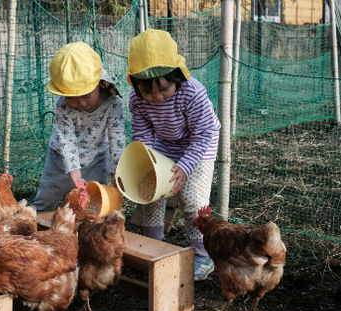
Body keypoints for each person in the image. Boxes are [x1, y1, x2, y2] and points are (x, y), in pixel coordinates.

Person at [126, 29, 221, 281]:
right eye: (148, 91)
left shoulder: (193, 93)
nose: (156, 97)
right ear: (135, 84)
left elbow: (202, 135)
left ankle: (202, 255)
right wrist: (149, 162)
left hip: (200, 144)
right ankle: (153, 248)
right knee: (151, 193)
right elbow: (143, 134)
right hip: (165, 143)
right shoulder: (136, 100)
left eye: (164, 88)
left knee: (192, 200)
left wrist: (185, 167)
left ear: (176, 76)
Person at [32, 42, 125, 212]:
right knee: (46, 199)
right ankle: (37, 228)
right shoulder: (63, 105)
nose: (80, 103)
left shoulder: (113, 102)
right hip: (60, 159)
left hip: (97, 158)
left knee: (96, 205)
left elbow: (117, 138)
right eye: (71, 97)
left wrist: (115, 172)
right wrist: (74, 172)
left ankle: (89, 234)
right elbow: (66, 138)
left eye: (86, 95)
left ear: (98, 83)